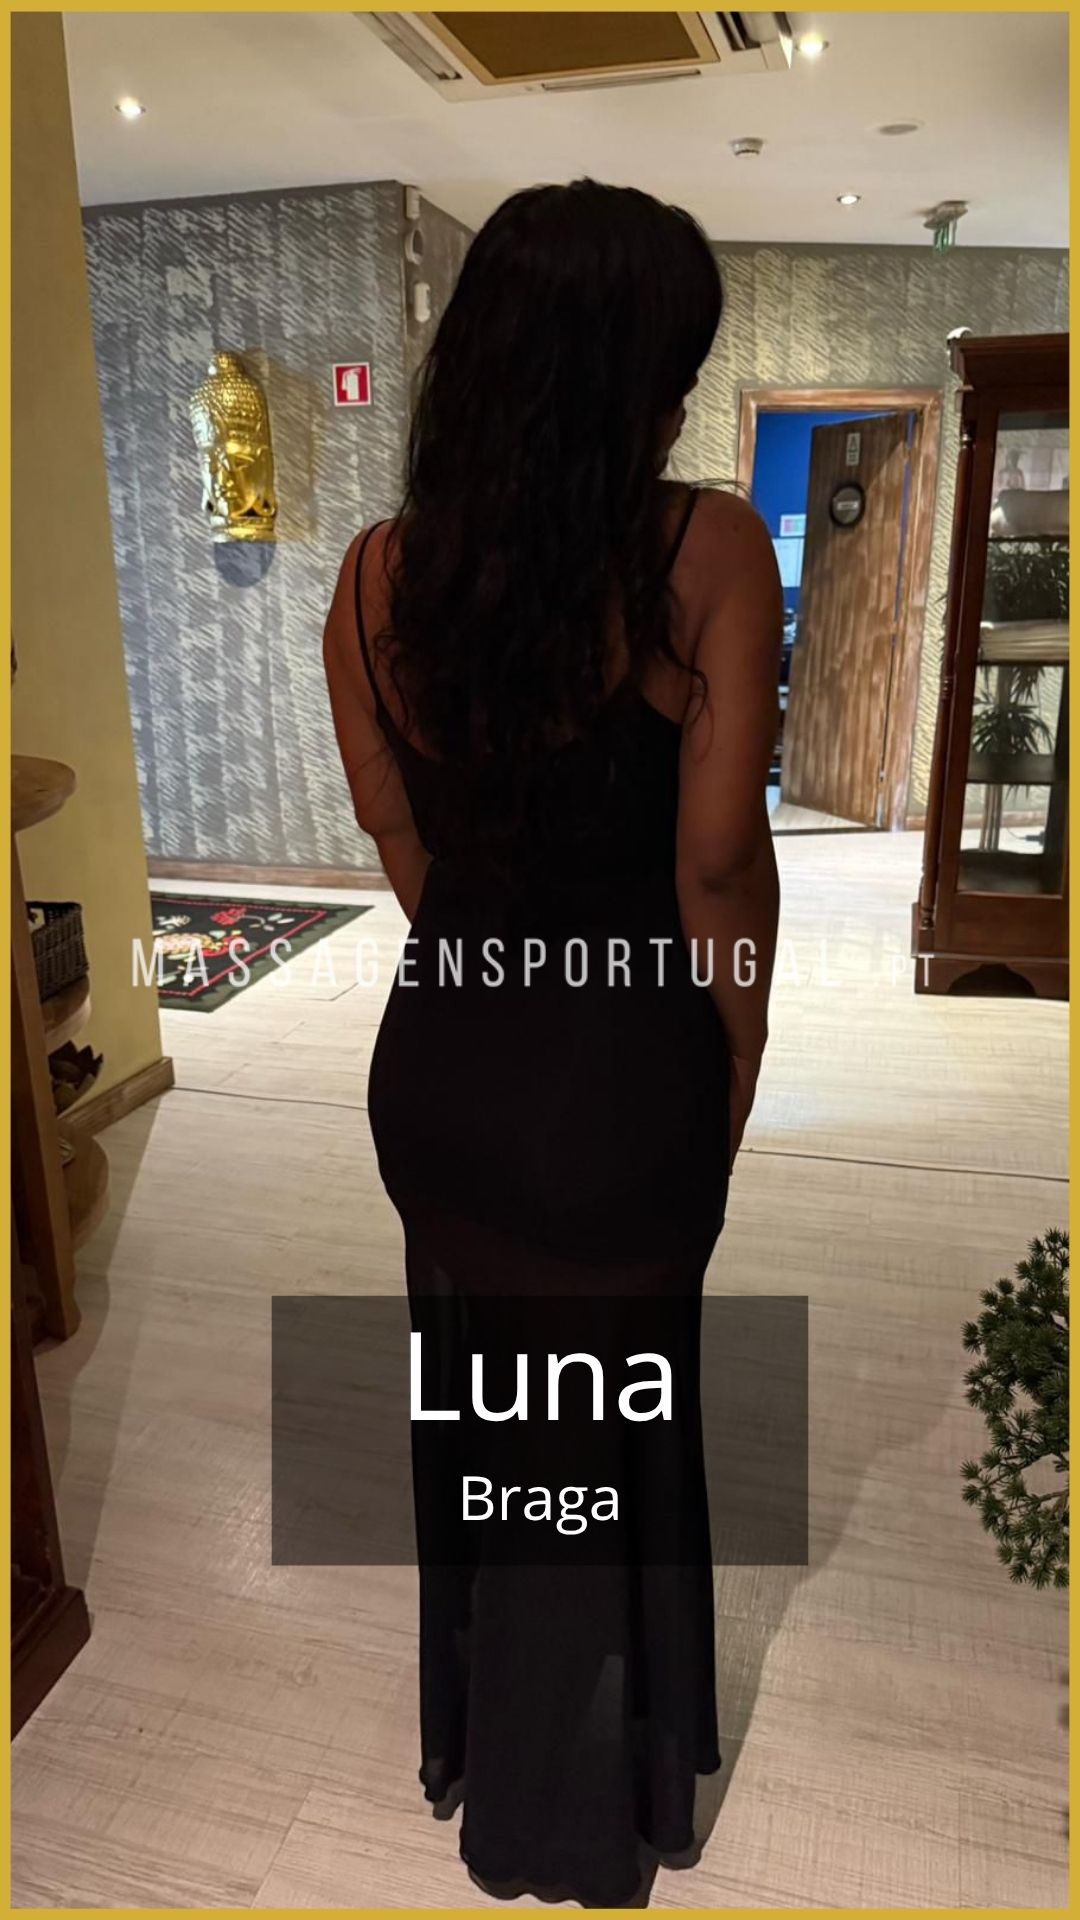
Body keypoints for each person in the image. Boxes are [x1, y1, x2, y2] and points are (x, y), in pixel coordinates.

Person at [324, 178, 781, 1907]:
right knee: (610, 1422)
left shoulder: (375, 576)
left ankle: (486, 1743)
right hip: (617, 1084)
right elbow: (716, 866)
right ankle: (586, 1811)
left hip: (443, 1076)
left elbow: (403, 843)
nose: (679, 404)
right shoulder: (704, 552)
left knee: (491, 1409)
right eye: (675, 371)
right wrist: (732, 1058)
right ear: (625, 378)